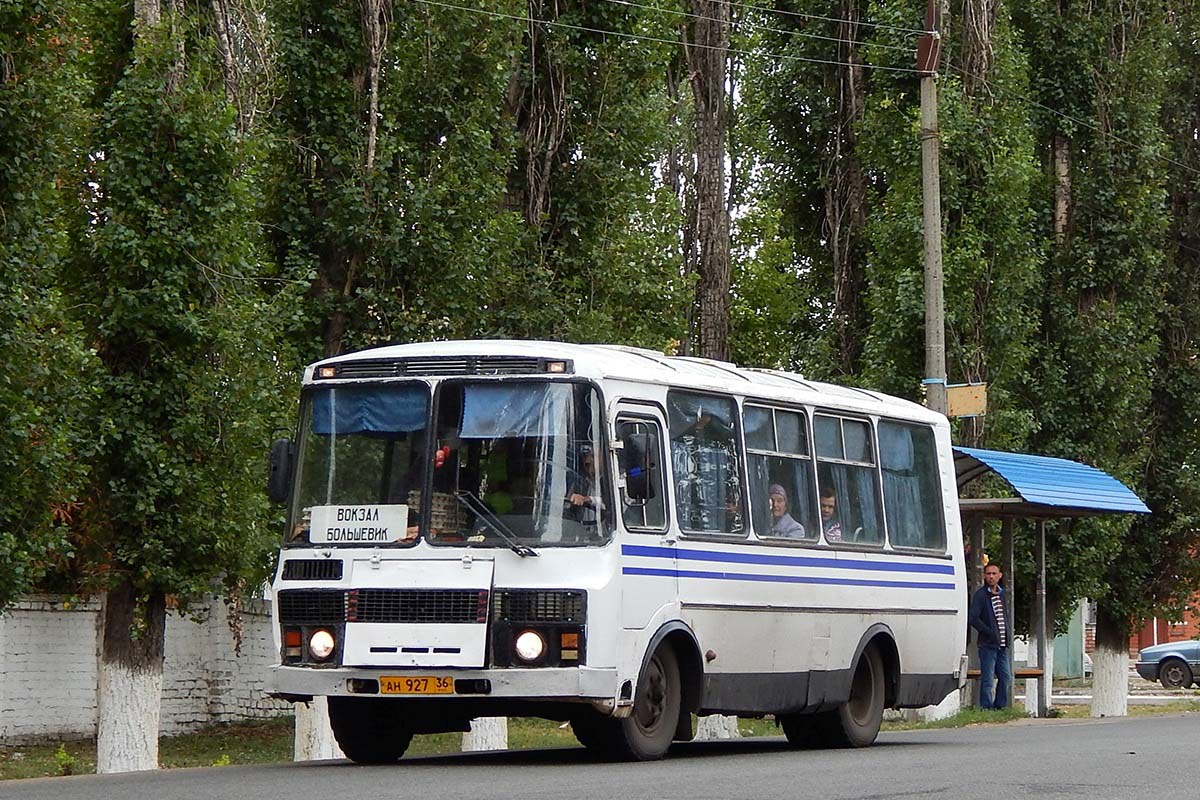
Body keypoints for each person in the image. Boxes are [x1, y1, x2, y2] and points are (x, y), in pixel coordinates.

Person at [969, 563, 1012, 709]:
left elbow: (1004, 617)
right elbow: (973, 618)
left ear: (1000, 576)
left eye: (994, 574)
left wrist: (1006, 636)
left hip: (1001, 644)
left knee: (1005, 677)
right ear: (985, 576)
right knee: (987, 679)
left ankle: (1000, 706)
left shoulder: (1002, 594)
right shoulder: (981, 595)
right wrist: (988, 631)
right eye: (988, 574)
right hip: (987, 644)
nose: (991, 577)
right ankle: (986, 707)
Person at [567, 446, 603, 524]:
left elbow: (617, 506)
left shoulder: (615, 480)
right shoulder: (579, 481)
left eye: (593, 456)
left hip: (605, 531)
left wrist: (588, 499)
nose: (587, 461)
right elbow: (567, 504)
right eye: (585, 457)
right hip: (581, 530)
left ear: (603, 458)